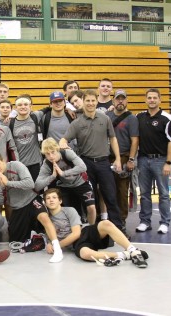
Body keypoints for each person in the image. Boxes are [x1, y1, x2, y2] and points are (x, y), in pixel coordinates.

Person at [61, 89, 125, 232]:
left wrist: (118, 159)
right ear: (83, 102)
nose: (90, 103)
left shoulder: (105, 119)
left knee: (110, 196)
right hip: (86, 164)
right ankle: (95, 230)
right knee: (90, 199)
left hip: (104, 163)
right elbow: (63, 140)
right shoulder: (77, 123)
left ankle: (118, 228)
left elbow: (113, 139)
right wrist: (64, 145)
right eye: (87, 101)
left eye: (92, 101)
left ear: (97, 102)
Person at [0, 151, 63, 263]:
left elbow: (30, 184)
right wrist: (2, 188)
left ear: (4, 160)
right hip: (17, 208)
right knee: (15, 244)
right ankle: (38, 238)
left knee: (44, 218)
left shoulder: (16, 165)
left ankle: (57, 249)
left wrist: (8, 183)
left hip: (31, 200)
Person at [43, 188, 148, 268]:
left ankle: (133, 250)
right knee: (85, 254)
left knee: (105, 223)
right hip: (77, 244)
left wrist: (57, 246)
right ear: (45, 203)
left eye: (54, 197)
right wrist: (49, 244)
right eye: (48, 198)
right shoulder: (45, 219)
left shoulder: (69, 210)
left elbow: (76, 233)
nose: (51, 200)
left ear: (60, 201)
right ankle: (125, 255)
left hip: (84, 233)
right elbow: (50, 236)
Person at [136, 88, 171, 234]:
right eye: (149, 98)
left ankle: (165, 222)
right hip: (143, 160)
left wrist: (168, 162)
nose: (152, 100)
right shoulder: (139, 117)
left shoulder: (167, 118)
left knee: (164, 193)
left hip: (160, 160)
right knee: (144, 193)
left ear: (160, 100)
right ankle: (145, 221)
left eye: (155, 98)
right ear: (145, 99)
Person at [35, 138, 96, 225]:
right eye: (47, 154)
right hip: (65, 186)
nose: (51, 156)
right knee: (70, 213)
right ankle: (75, 231)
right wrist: (52, 176)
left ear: (57, 150)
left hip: (80, 182)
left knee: (91, 207)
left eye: (53, 152)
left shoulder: (67, 153)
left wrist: (63, 173)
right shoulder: (47, 164)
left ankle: (91, 231)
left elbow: (83, 167)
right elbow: (37, 186)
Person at [106, 89, 139, 230]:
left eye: (123, 99)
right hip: (107, 157)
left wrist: (131, 159)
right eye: (118, 98)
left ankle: (121, 221)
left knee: (122, 190)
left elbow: (135, 140)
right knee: (107, 190)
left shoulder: (131, 119)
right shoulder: (107, 116)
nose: (120, 101)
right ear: (113, 101)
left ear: (126, 101)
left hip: (124, 156)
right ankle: (108, 218)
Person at [9, 94, 43, 181]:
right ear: (15, 108)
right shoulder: (10, 123)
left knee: (37, 190)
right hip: (20, 164)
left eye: (26, 104)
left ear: (31, 107)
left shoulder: (36, 116)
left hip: (36, 163)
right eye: (20, 105)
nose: (23, 107)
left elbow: (49, 108)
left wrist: (68, 109)